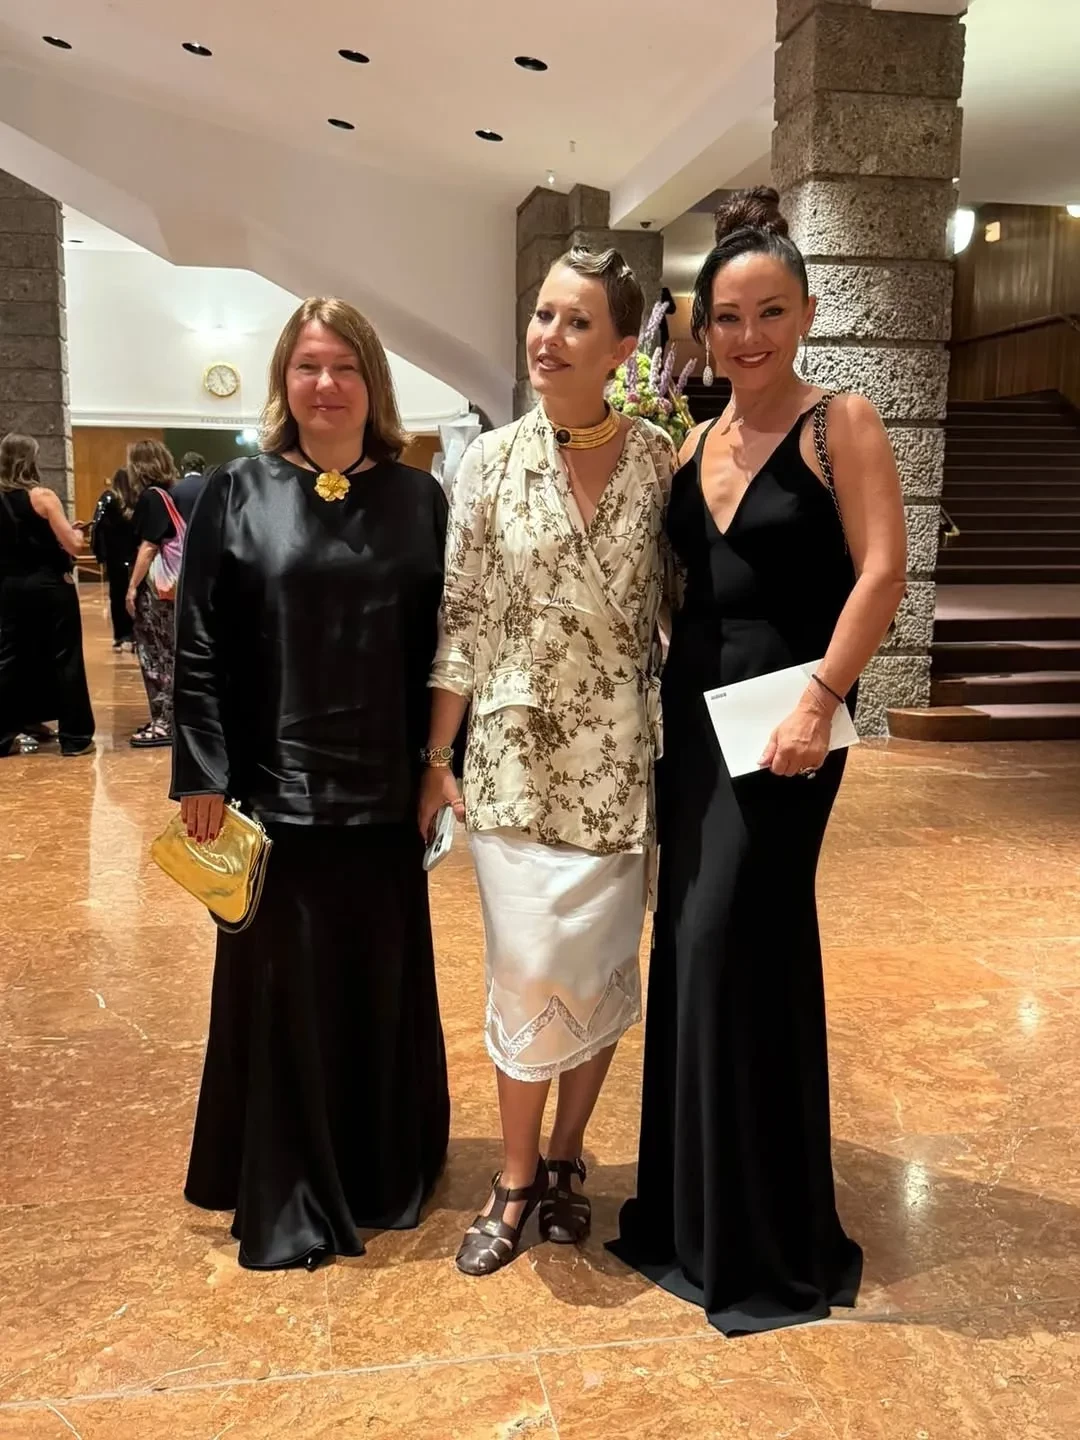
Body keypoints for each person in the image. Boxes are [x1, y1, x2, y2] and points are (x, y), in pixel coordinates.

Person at [609, 188, 908, 1334]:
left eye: (769, 312)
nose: (747, 336)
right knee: (691, 947)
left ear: (807, 313)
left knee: (736, 937)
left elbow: (881, 572)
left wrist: (823, 698)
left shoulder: (843, 424)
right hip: (694, 721)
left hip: (791, 721)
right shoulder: (693, 441)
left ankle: (763, 1236)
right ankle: (692, 1215)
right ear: (701, 330)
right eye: (726, 317)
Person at [172, 297, 450, 1271]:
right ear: (284, 382)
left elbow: (447, 647)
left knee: (377, 984)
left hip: (383, 798)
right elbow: (198, 639)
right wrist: (201, 772)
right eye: (307, 367)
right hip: (271, 796)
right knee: (282, 994)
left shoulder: (420, 498)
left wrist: (439, 768)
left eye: (344, 367)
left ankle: (380, 1168)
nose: (325, 385)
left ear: (372, 383)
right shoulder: (237, 490)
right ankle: (287, 1180)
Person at [420, 248, 678, 1276]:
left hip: (619, 765)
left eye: (576, 323)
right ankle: (517, 1174)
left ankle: (568, 1153)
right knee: (528, 971)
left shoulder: (661, 462)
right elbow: (461, 619)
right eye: (541, 315)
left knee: (601, 969)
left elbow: (686, 608)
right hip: (515, 766)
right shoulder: (489, 463)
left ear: (622, 349)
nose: (548, 338)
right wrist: (436, 753)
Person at [0, 434, 95, 758]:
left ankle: (7, 733)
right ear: (30, 460)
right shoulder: (42, 496)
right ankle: (75, 737)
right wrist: (75, 531)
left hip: (10, 588)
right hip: (50, 587)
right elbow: (74, 546)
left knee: (13, 658)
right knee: (65, 657)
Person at [125, 439, 180, 748]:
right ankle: (167, 718)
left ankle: (164, 722)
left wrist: (132, 587)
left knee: (157, 656)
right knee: (167, 652)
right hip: (169, 592)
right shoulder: (168, 495)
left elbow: (148, 547)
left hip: (155, 591)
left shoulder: (150, 497)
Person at [92, 467, 138, 649]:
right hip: (134, 555)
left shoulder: (108, 498)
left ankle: (120, 635)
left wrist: (100, 553)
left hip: (114, 556)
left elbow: (97, 526)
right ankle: (134, 633)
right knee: (134, 594)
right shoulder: (135, 500)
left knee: (117, 595)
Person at [171, 451, 208, 522]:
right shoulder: (211, 486)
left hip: (183, 528)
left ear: (182, 468)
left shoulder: (174, 488)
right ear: (203, 467)